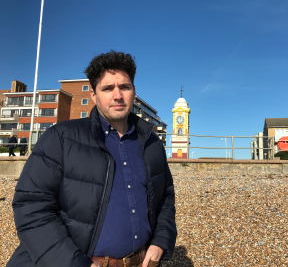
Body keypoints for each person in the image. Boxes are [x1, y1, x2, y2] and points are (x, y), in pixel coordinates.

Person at [7, 51, 177, 267]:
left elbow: (165, 199)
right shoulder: (60, 138)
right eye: (107, 88)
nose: (117, 95)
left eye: (124, 87)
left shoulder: (151, 142)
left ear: (133, 92)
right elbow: (31, 208)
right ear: (94, 96)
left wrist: (160, 242)